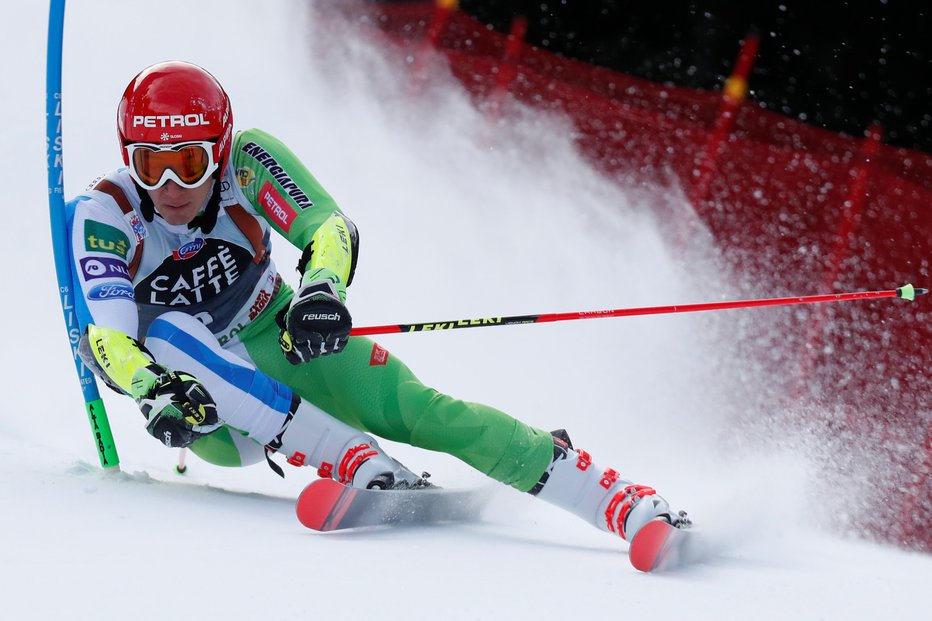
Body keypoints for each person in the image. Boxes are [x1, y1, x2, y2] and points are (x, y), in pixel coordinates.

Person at [71, 60, 689, 544]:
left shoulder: (248, 160)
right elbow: (110, 338)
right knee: (163, 333)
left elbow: (328, 228)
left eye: (189, 161)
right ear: (129, 156)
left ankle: (620, 500)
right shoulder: (107, 214)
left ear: (221, 148)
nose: (171, 186)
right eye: (150, 164)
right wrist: (151, 388)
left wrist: (321, 290)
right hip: (215, 418)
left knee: (424, 412)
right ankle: (356, 460)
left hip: (281, 340)